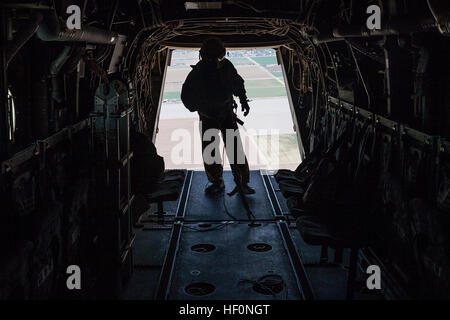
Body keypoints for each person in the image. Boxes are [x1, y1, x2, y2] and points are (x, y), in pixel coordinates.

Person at [181, 37, 255, 195]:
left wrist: (243, 101)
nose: (216, 60)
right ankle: (232, 182)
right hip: (213, 115)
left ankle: (227, 182)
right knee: (218, 151)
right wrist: (243, 102)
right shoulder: (209, 70)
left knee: (220, 150)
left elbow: (237, 84)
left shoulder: (206, 70)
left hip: (218, 114)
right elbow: (187, 96)